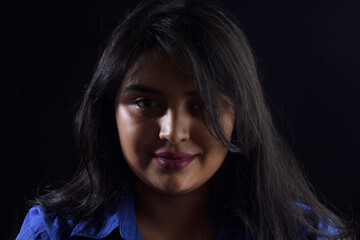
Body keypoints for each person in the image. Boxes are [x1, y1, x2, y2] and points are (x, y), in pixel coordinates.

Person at [16, 0, 355, 239]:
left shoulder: (307, 235)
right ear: (108, 111)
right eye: (146, 102)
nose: (172, 132)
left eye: (203, 104)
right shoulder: (52, 232)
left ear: (240, 114)